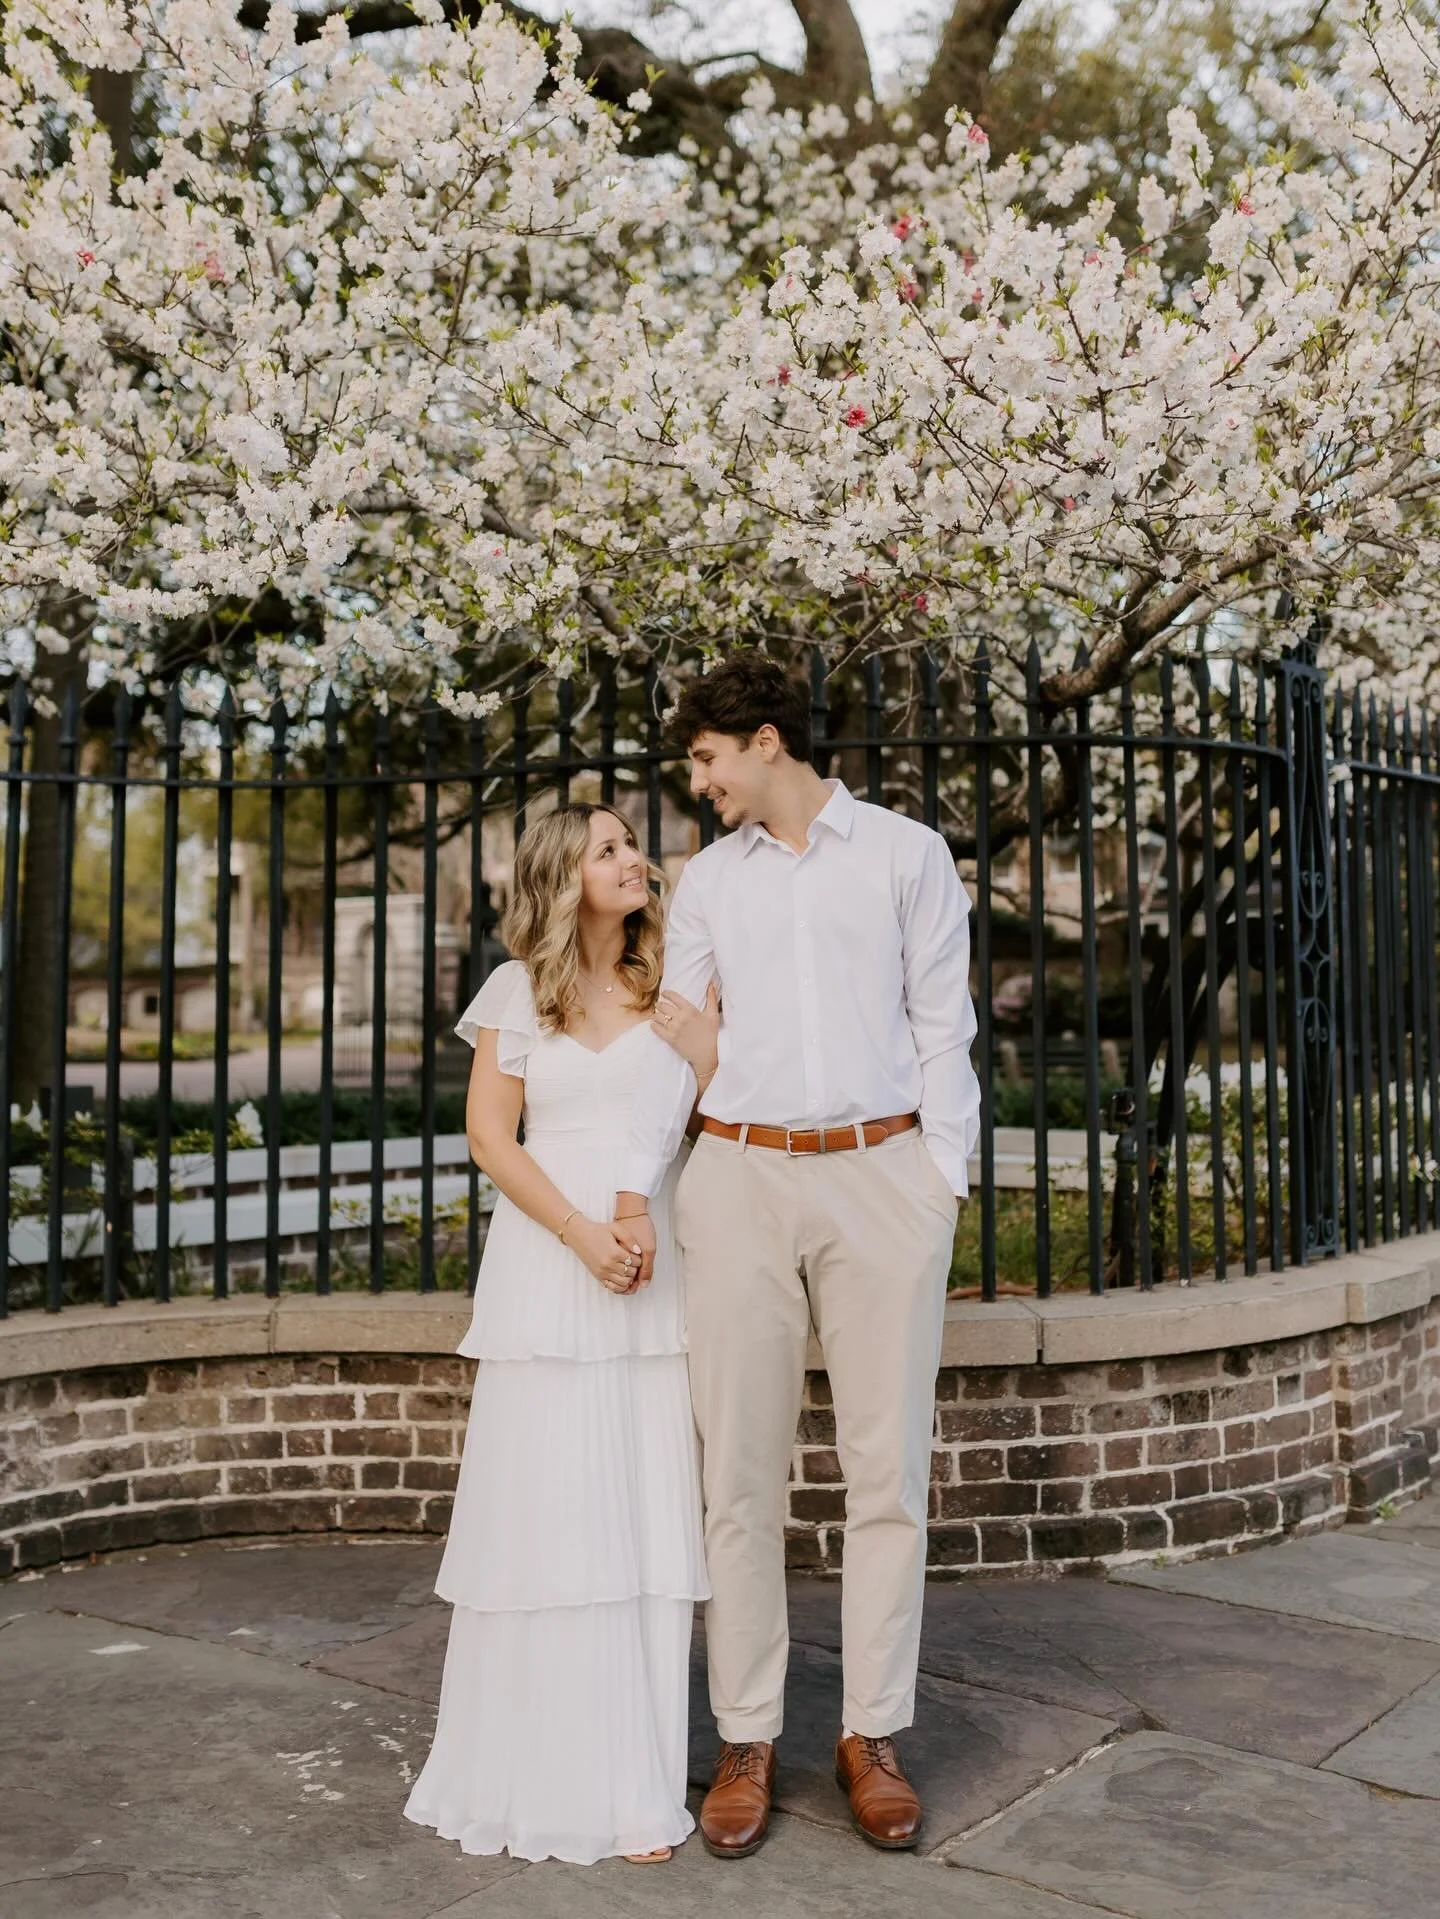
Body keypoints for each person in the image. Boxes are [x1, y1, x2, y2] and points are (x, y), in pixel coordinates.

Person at [619, 651, 981, 1859]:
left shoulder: (906, 856)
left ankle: (871, 1732)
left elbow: (944, 1027)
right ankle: (747, 1735)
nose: (700, 782)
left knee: (887, 1475)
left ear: (765, 740)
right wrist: (638, 1183)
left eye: (708, 758)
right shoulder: (708, 884)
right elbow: (679, 1043)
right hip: (739, 1177)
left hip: (885, 1175)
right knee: (737, 1476)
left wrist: (939, 1181)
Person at [404, 804, 717, 1867]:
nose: (634, 860)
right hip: (550, 1258)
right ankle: (533, 1773)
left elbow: (704, 1108)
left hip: (651, 1256)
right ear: (561, 877)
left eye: (632, 844)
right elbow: (491, 1136)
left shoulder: (668, 982)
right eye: (607, 849)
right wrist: (582, 1232)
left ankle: (633, 1781)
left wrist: (631, 1217)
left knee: (639, 1514)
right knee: (549, 1511)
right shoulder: (515, 990)